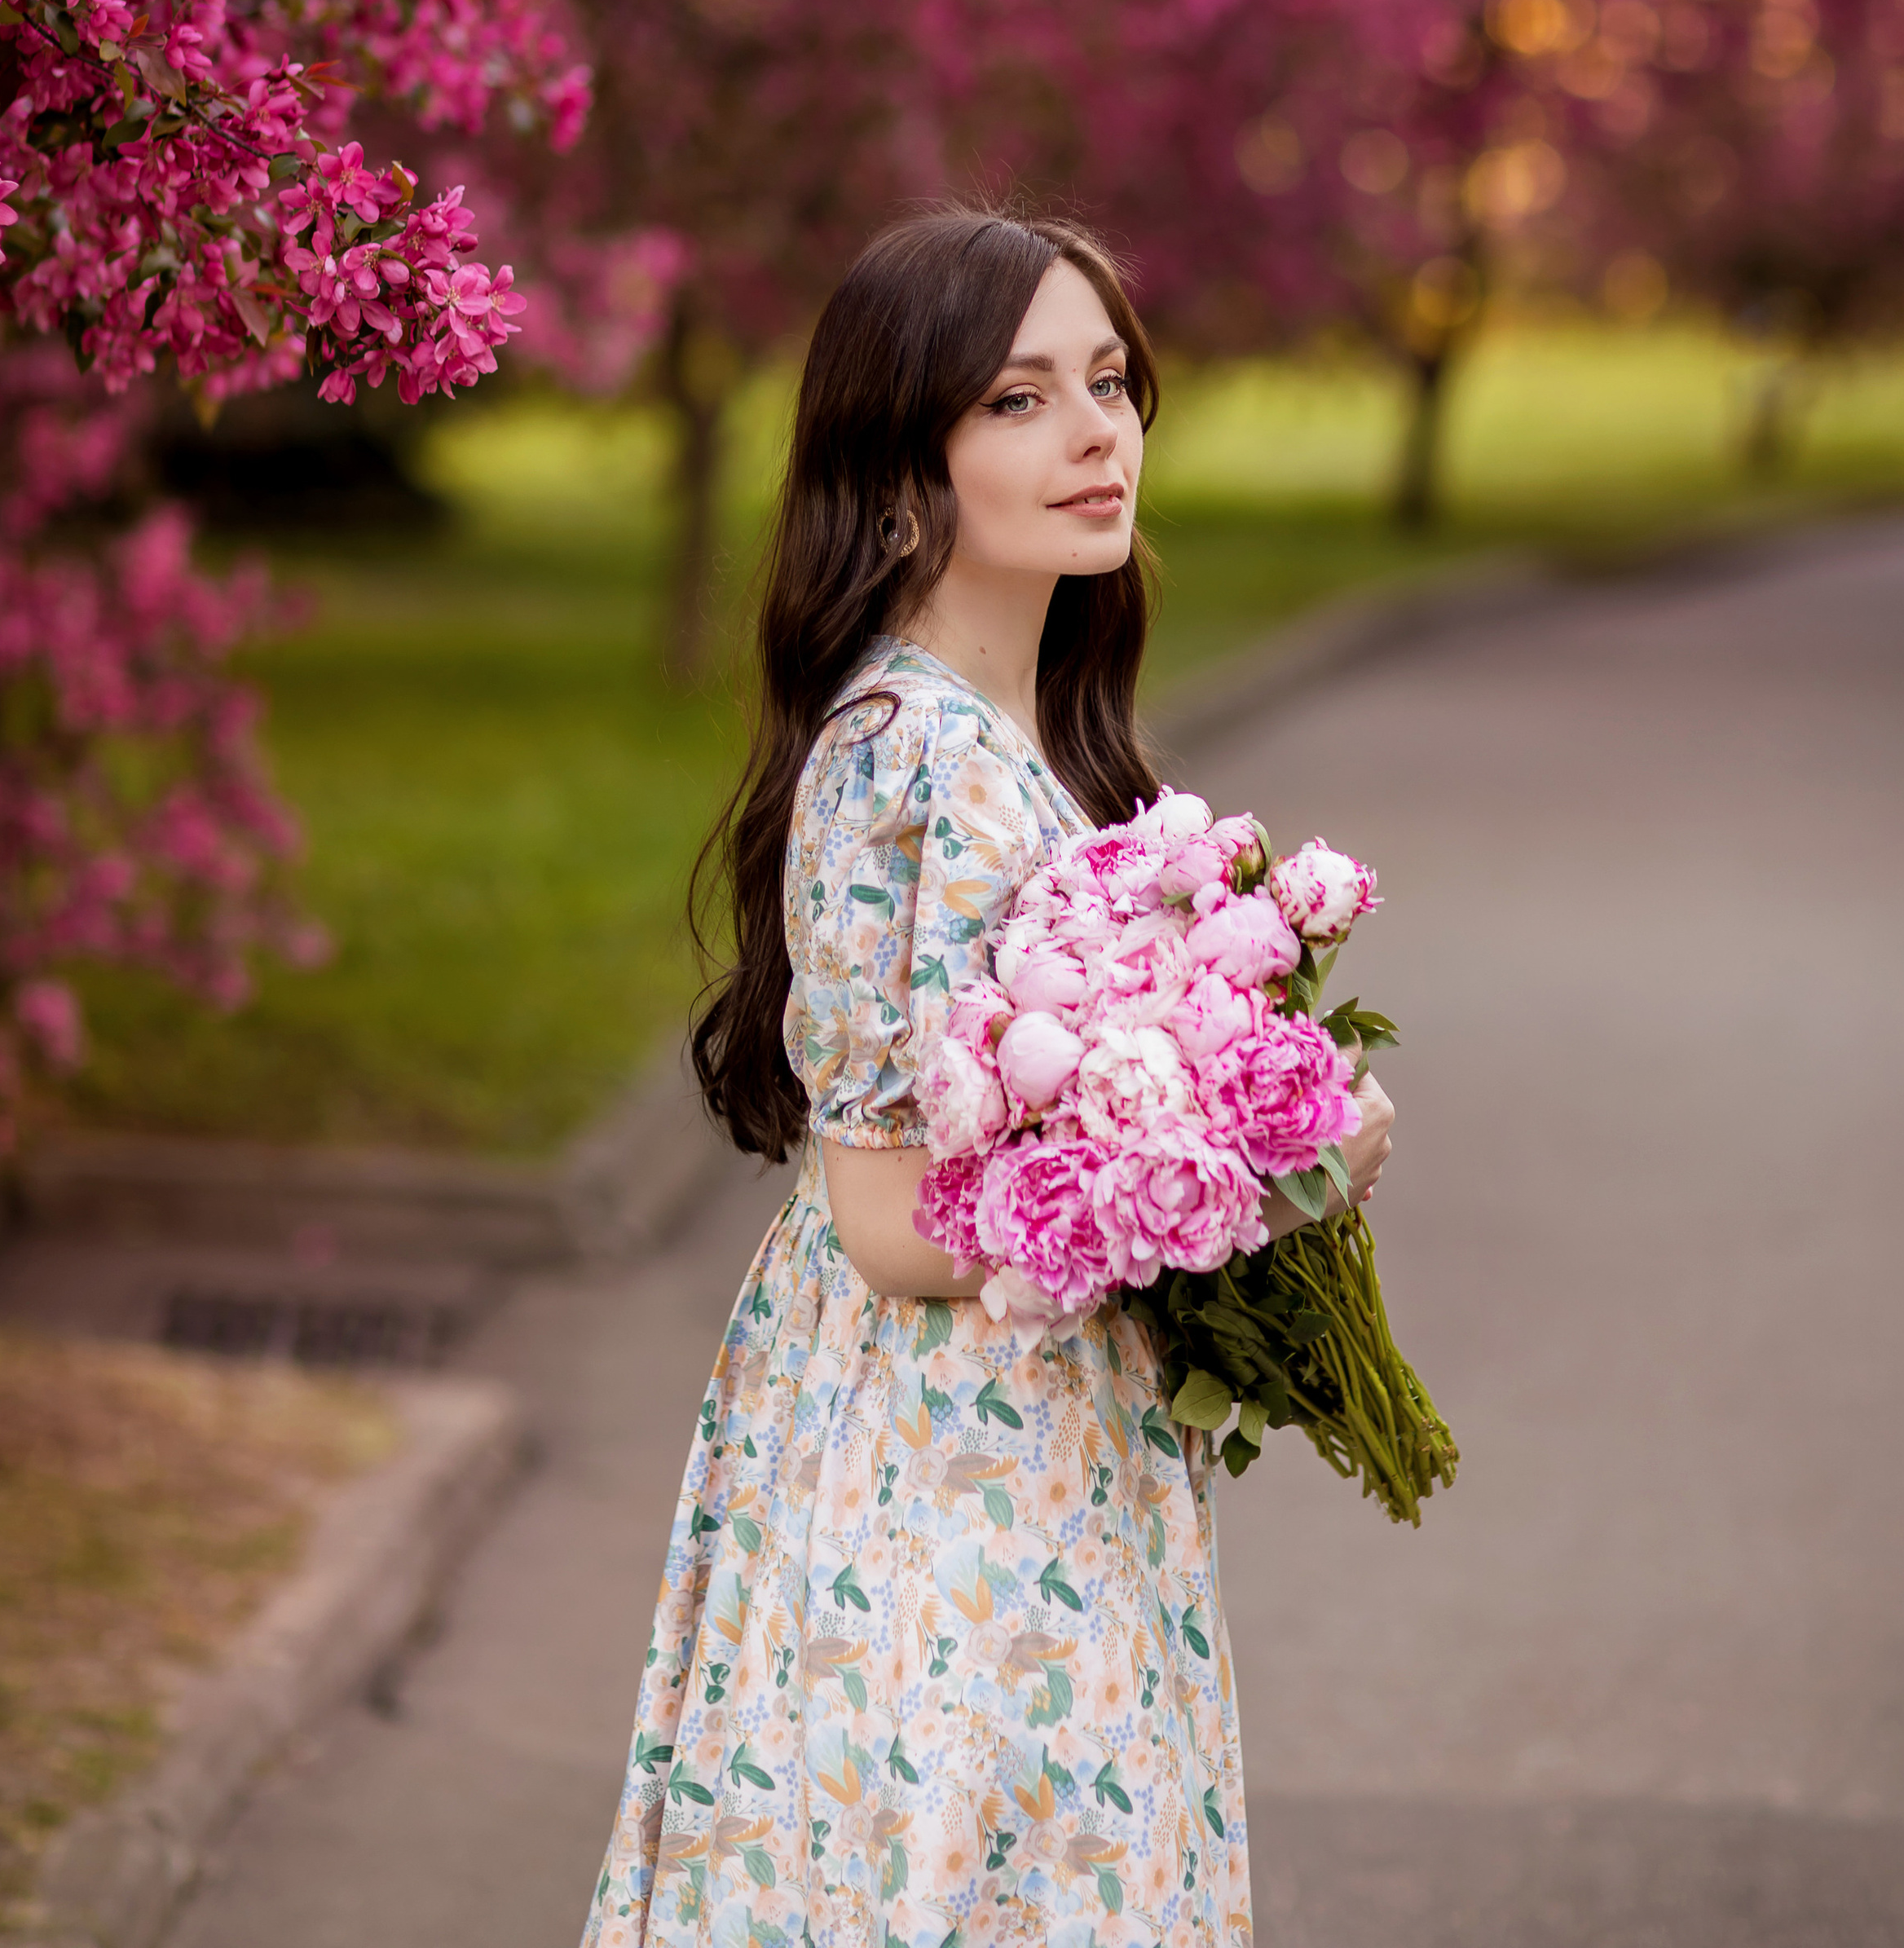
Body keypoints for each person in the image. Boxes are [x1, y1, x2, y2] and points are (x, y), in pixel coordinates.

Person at [582, 208, 1395, 1948]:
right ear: (903, 468)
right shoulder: (899, 763)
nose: (1098, 433)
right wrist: (1240, 1185)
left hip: (1045, 1439)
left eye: (1108, 382)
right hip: (939, 1475)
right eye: (1018, 399)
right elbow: (882, 1223)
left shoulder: (1025, 745)